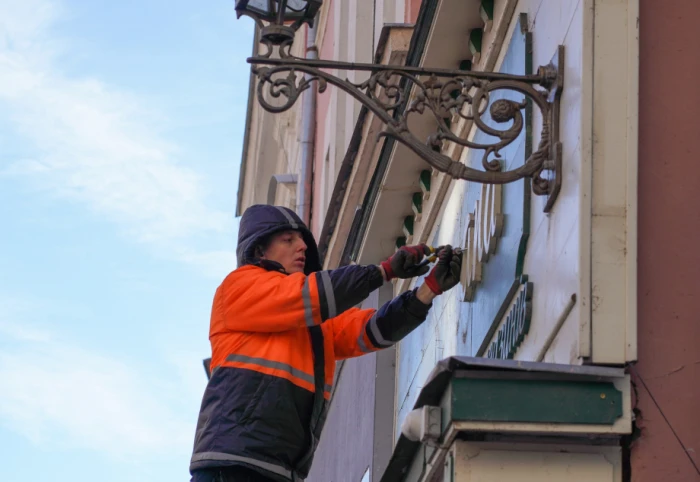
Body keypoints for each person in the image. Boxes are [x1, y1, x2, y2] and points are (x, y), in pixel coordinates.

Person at [190, 204, 462, 482]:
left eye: (302, 241)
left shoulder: (310, 322)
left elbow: (370, 330)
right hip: (233, 465)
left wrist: (427, 291)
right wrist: (384, 271)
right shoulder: (239, 288)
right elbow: (311, 294)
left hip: (275, 469)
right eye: (288, 240)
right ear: (260, 251)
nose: (302, 247)